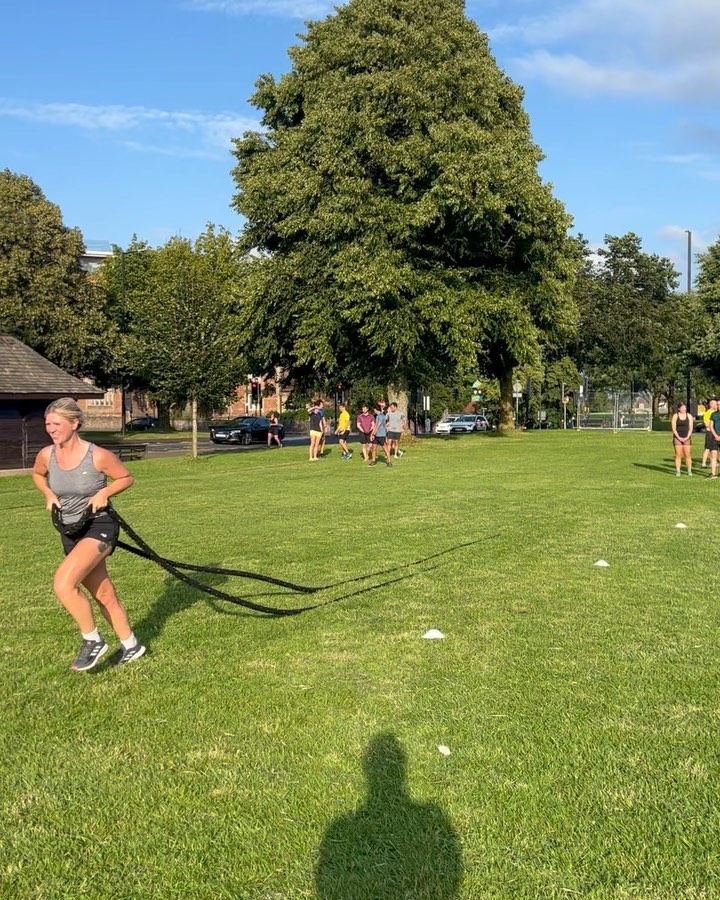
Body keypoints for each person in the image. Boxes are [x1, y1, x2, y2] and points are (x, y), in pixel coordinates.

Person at [31, 398, 146, 671]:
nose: (51, 429)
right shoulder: (47, 455)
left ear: (74, 423)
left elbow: (126, 478)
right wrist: (48, 493)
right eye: (48, 424)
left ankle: (92, 640)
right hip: (70, 530)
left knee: (63, 584)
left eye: (56, 423)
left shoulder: (97, 455)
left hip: (99, 526)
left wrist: (104, 492)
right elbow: (37, 475)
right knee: (103, 594)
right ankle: (132, 645)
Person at [671, 401, 694, 476]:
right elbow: (674, 429)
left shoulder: (689, 416)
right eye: (682, 408)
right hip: (677, 437)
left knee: (687, 455)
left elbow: (691, 429)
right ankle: (678, 471)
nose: (683, 409)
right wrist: (679, 438)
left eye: (684, 407)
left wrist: (687, 437)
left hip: (687, 437)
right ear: (678, 409)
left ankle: (689, 470)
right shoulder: (675, 416)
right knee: (678, 454)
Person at [370, 401, 392, 468]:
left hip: (381, 435)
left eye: (374, 409)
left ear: (376, 409)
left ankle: (389, 462)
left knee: (385, 448)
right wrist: (372, 434)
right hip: (376, 435)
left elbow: (378, 426)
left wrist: (373, 434)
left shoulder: (381, 416)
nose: (374, 410)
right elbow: (375, 426)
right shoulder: (377, 416)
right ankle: (373, 461)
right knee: (374, 448)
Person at [701, 398, 717, 468]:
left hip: (715, 432)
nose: (716, 405)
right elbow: (706, 424)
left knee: (714, 448)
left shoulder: (716, 412)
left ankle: (713, 463)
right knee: (708, 448)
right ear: (711, 405)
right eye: (715, 404)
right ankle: (703, 463)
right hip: (710, 432)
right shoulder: (708, 413)